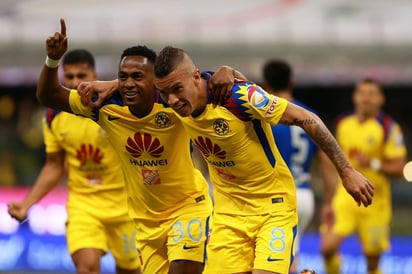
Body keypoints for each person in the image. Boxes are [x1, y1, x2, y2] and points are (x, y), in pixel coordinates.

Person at [35, 19, 238, 274]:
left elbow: (199, 80)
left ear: (155, 81)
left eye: (137, 77)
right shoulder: (103, 107)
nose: (129, 83)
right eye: (123, 77)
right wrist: (53, 60)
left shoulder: (173, 103)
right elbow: (48, 96)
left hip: (188, 208)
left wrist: (228, 70)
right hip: (145, 222)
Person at [153, 46, 374, 274]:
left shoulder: (237, 97)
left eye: (177, 89)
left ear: (196, 76)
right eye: (164, 92)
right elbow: (135, 86)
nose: (171, 100)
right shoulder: (176, 102)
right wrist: (113, 84)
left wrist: (347, 171)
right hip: (228, 215)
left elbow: (306, 117)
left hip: (273, 208)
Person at [7, 49, 141, 274]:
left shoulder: (116, 108)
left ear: (95, 75)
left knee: (130, 271)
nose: (76, 82)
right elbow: (54, 165)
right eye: (69, 77)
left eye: (82, 75)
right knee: (86, 267)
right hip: (83, 207)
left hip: (126, 208)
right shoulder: (54, 116)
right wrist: (27, 203)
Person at [320, 78, 407, 274]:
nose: (365, 98)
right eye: (361, 93)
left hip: (375, 201)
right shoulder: (343, 123)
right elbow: (330, 158)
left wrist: (374, 163)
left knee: (372, 263)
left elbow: (399, 167)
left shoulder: (388, 128)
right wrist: (328, 198)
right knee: (327, 248)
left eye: (371, 93)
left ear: (381, 99)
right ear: (355, 97)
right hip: (345, 196)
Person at [262, 59, 336, 273]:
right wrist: (329, 201)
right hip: (305, 196)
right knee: (291, 253)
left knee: (278, 260)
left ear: (265, 84)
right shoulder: (309, 115)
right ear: (292, 82)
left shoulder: (266, 115)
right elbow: (326, 162)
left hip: (277, 196)